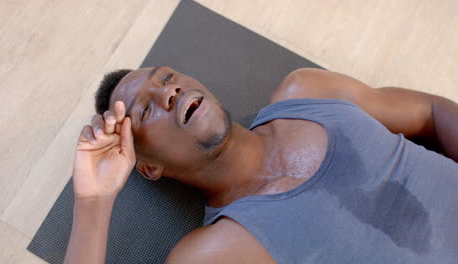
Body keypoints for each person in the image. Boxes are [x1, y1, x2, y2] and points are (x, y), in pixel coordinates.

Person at [64, 66, 458, 264]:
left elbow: (431, 112)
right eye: (146, 108)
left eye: (166, 77)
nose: (169, 91)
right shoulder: (216, 252)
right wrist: (93, 202)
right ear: (147, 165)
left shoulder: (306, 90)